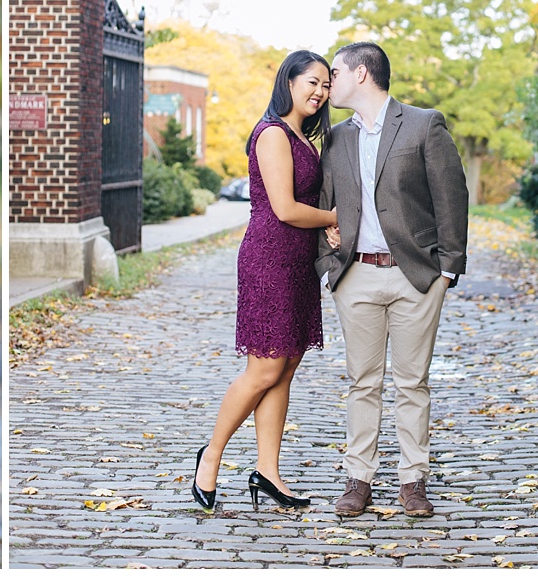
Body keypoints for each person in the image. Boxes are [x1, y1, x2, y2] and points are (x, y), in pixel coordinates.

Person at [315, 41, 468, 519]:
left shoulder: (424, 124)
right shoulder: (336, 138)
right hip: (355, 275)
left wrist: (447, 269)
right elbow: (325, 204)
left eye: (335, 72)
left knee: (412, 382)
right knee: (362, 381)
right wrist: (328, 267)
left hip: (415, 276)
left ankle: (412, 481)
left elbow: (452, 194)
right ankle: (358, 479)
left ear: (361, 74)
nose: (328, 83)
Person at [192, 51, 335, 512]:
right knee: (265, 368)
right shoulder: (273, 132)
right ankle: (210, 456)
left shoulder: (301, 135)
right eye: (312, 81)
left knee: (287, 365)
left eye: (327, 85)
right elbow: (286, 209)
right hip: (270, 259)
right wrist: (338, 218)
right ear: (288, 81)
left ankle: (268, 472)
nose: (320, 91)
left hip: (299, 263)